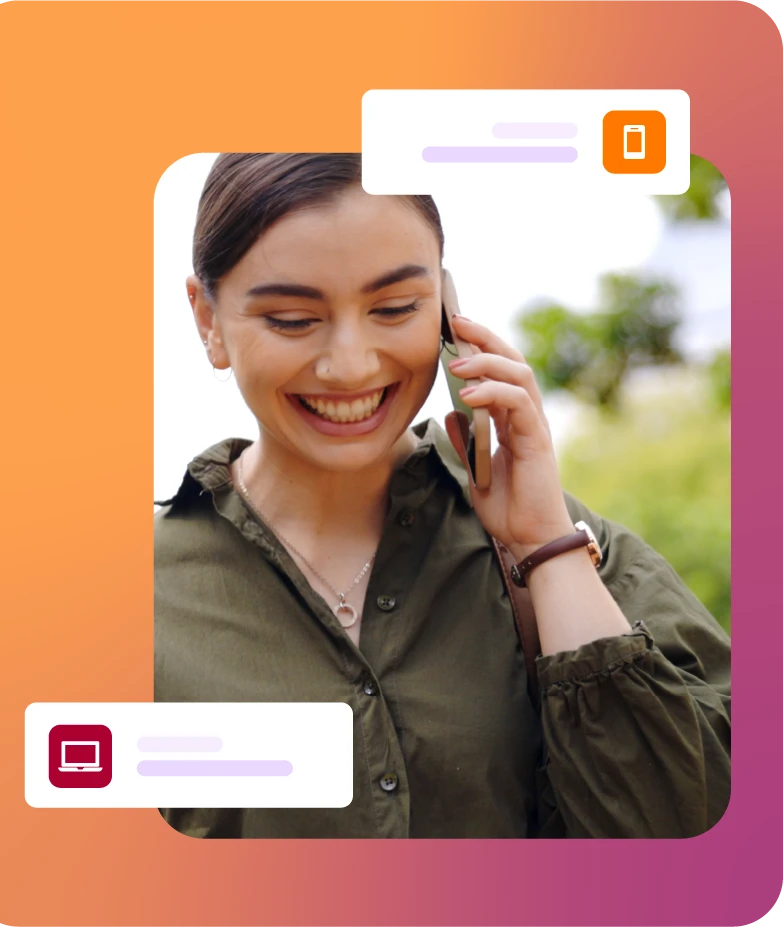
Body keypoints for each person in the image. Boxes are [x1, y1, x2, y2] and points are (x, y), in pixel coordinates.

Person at [154, 152, 731, 839]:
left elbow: (689, 840)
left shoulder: (580, 552)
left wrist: (543, 546)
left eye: (395, 308)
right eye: (292, 319)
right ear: (207, 319)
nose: (351, 364)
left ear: (446, 310)